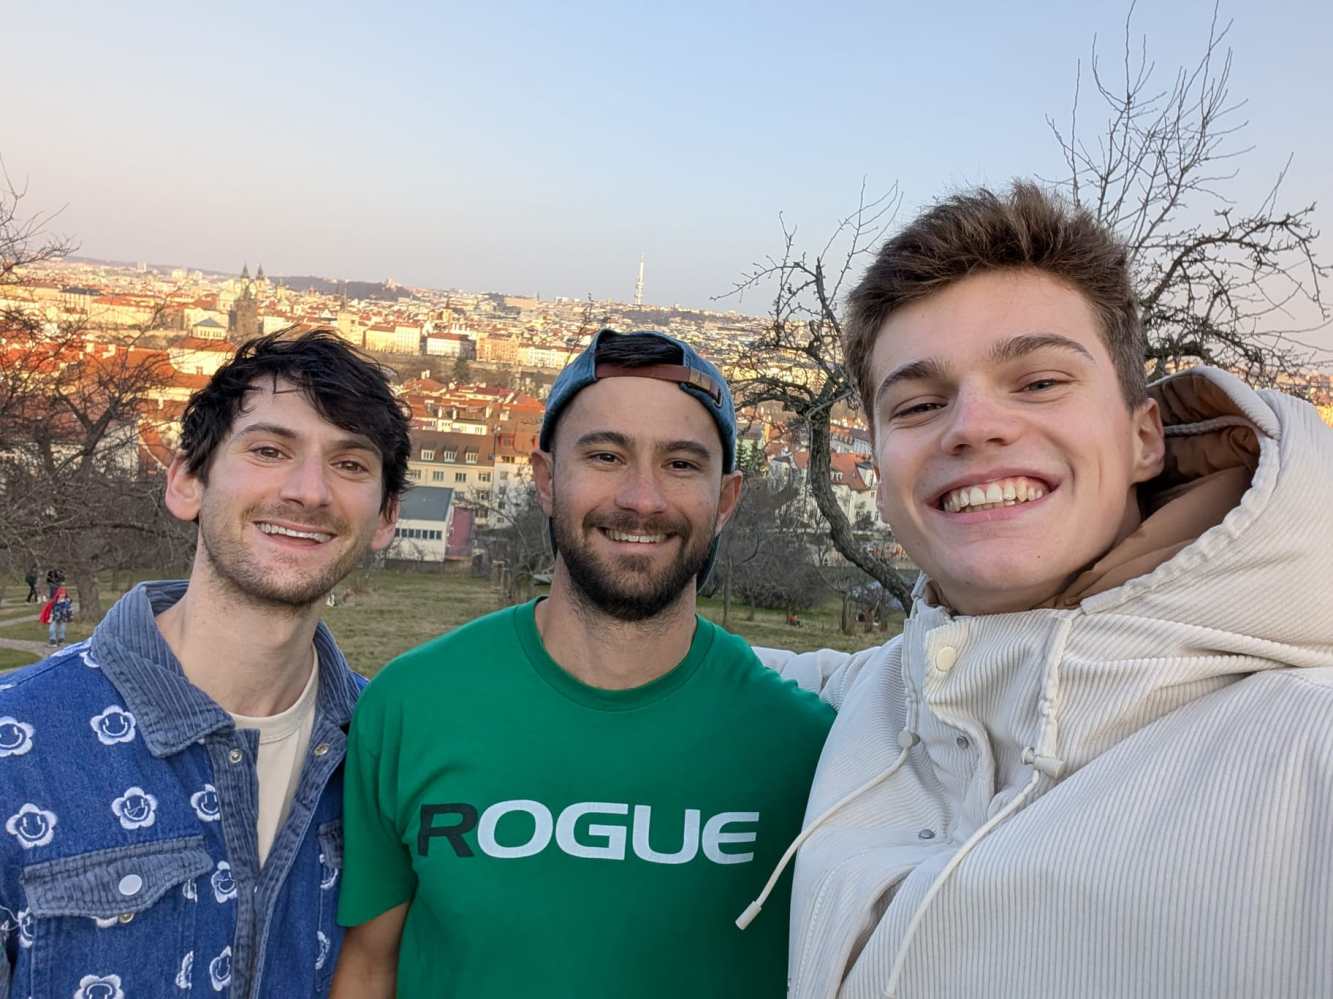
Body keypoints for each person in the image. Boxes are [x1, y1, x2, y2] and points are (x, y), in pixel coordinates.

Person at [752, 183, 1333, 998]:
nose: (972, 425)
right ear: (879, 474)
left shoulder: (1308, 750)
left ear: (1142, 437)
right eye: (919, 403)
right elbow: (671, 663)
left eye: (1038, 382)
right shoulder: (879, 697)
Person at [332, 329, 834, 998]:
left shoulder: (813, 752)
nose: (642, 498)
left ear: (725, 499)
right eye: (605, 455)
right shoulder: (410, 707)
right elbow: (369, 966)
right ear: (545, 479)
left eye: (681, 464)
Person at [0, 330, 409, 998]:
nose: (309, 491)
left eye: (350, 463)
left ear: (386, 517)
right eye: (269, 450)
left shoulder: (391, 751)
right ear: (187, 481)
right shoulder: (15, 745)